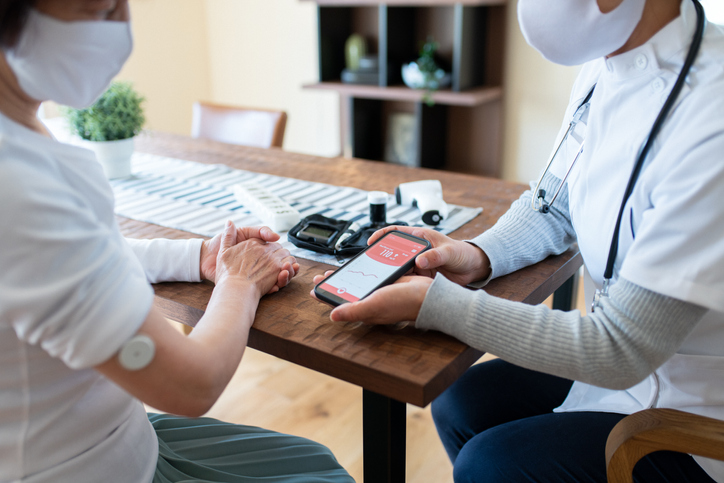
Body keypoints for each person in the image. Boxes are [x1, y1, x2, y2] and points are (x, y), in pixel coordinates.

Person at [312, 0, 724, 481]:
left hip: (695, 409)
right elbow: (553, 201)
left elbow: (622, 349)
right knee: (457, 400)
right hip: (622, 373)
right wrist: (476, 254)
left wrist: (438, 306)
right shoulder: (603, 66)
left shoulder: (712, 112)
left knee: (488, 465)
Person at [0, 1, 353, 482]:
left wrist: (199, 257)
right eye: (102, 10)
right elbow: (192, 384)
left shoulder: (27, 133)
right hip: (93, 466)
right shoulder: (19, 190)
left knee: (315, 461)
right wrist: (240, 283)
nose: (124, 30)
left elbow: (80, 259)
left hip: (122, 435)